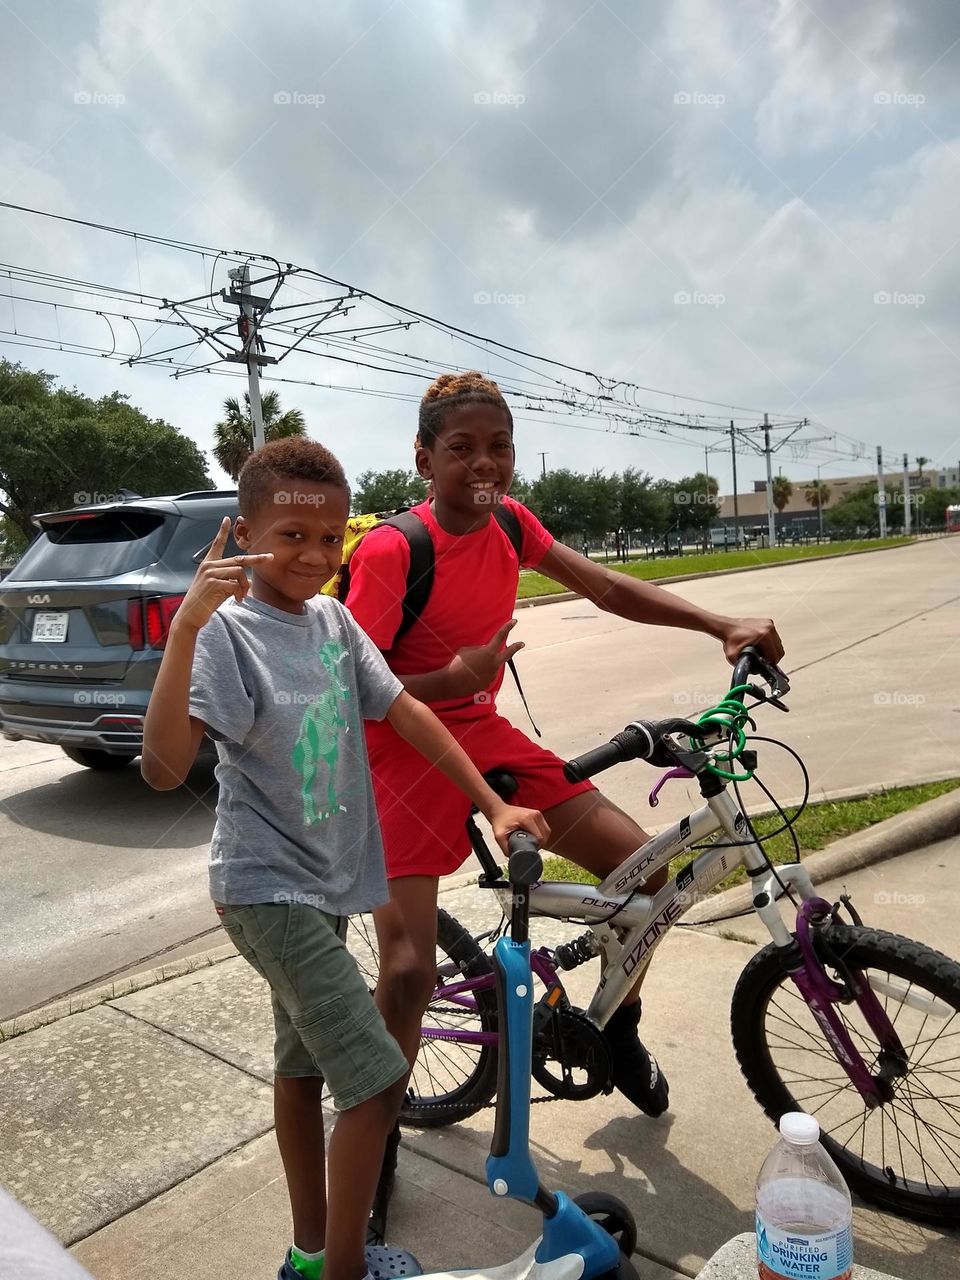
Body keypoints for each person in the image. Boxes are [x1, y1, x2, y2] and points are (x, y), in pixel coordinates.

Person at [141, 437, 548, 1280]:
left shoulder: (331, 621)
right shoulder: (227, 634)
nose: (315, 556)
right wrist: (184, 628)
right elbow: (164, 768)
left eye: (331, 540)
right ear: (244, 530)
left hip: (322, 888)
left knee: (301, 1073)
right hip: (264, 891)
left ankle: (311, 1253)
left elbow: (406, 711)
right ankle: (346, 1272)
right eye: (291, 536)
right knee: (372, 1084)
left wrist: (495, 800)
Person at [344, 371, 785, 1125]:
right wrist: (453, 675)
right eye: (462, 449)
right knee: (411, 972)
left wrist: (719, 625)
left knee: (645, 883)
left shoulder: (512, 524)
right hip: (399, 751)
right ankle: (373, 1139)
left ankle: (618, 1032)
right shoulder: (394, 549)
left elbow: (606, 587)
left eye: (500, 447)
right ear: (423, 459)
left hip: (484, 736)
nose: (484, 464)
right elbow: (345, 686)